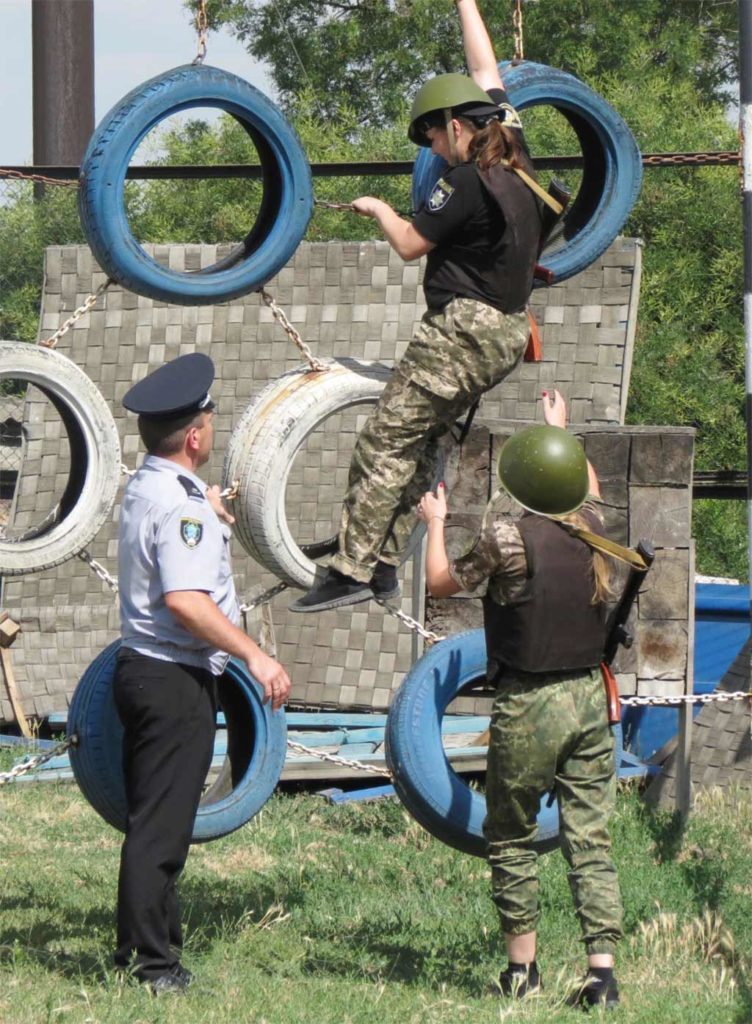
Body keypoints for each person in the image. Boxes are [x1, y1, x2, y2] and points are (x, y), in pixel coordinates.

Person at [291, 0, 543, 613]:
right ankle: (381, 564)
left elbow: (409, 246)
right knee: (423, 444)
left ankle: (349, 569)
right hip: (506, 332)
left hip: (461, 333)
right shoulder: (513, 148)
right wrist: (465, 3)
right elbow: (487, 71)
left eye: (433, 132)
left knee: (383, 442)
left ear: (457, 126)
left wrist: (377, 207)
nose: (432, 145)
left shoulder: (460, 181)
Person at [417, 389, 623, 1010]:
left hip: (529, 702)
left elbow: (438, 584)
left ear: (523, 484)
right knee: (590, 837)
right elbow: (585, 486)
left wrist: (434, 524)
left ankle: (522, 971)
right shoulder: (594, 529)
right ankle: (602, 976)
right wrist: (558, 430)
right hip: (589, 697)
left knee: (511, 836)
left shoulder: (507, 539)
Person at [114, 353, 291, 994]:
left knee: (154, 820)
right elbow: (185, 601)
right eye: (210, 420)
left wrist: (208, 514)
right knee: (161, 829)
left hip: (143, 670)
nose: (213, 429)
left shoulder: (151, 486)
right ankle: (150, 967)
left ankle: (150, 949)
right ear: (195, 435)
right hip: (172, 677)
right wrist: (255, 654)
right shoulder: (182, 505)